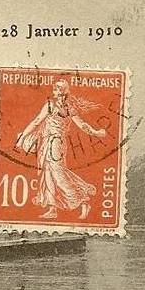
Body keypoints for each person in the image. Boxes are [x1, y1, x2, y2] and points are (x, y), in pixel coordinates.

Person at [15, 78, 107, 220]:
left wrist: (22, 138)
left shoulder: (52, 106)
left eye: (57, 89)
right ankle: (52, 208)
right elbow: (82, 125)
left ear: (62, 92)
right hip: (52, 143)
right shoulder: (69, 108)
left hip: (54, 144)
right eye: (55, 89)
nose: (55, 92)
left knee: (58, 175)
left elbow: (36, 122)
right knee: (48, 174)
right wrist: (96, 132)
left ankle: (82, 202)